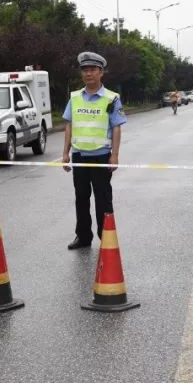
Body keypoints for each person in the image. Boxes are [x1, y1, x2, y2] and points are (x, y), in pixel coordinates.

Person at [61, 51, 127, 249]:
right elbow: (69, 126)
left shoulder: (111, 98)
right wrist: (65, 153)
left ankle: (106, 237)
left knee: (103, 199)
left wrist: (114, 155)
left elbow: (116, 127)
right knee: (81, 198)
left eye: (92, 70)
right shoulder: (74, 98)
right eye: (85, 70)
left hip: (101, 157)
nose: (88, 74)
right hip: (79, 156)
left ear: (101, 73)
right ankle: (83, 237)